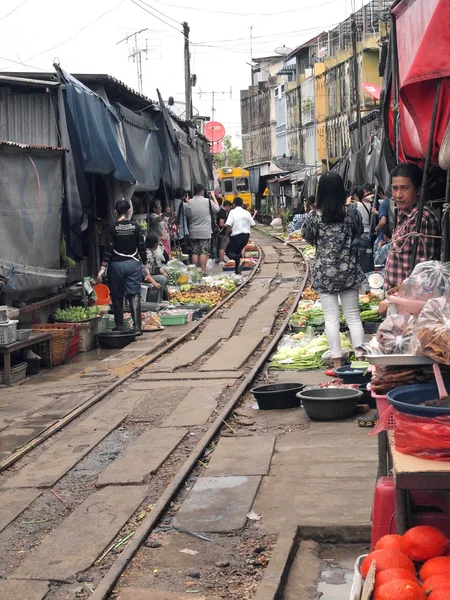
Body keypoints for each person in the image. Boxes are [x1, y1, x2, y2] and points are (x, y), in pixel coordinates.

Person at [302, 172, 366, 371]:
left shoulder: (314, 216)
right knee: (354, 317)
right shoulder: (351, 212)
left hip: (325, 273)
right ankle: (361, 361)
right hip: (348, 271)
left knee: (331, 319)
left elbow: (308, 237)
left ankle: (337, 363)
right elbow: (359, 233)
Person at [385, 163, 441, 290]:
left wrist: (396, 297)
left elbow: (422, 274)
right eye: (395, 188)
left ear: (418, 190)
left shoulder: (421, 219)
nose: (398, 195)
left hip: (408, 299)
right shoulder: (404, 214)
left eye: (404, 188)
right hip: (396, 295)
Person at [98, 199, 149, 334]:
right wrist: (145, 265)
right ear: (128, 211)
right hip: (133, 264)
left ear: (115, 212)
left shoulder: (112, 228)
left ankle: (119, 326)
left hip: (116, 266)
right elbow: (142, 248)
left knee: (117, 295)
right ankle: (137, 327)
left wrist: (102, 269)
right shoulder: (136, 227)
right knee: (134, 294)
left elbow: (108, 250)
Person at [188, 183, 220, 274]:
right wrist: (213, 196)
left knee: (194, 252)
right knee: (203, 252)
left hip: (193, 231)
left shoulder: (189, 201)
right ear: (202, 191)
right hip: (205, 231)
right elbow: (217, 209)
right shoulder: (207, 201)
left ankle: (194, 272)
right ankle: (203, 270)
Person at [225, 196, 256, 274]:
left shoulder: (232, 212)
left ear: (234, 204)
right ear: (242, 204)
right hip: (246, 237)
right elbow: (253, 224)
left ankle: (237, 262)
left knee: (229, 251)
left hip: (236, 236)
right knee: (237, 253)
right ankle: (237, 272)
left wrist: (226, 235)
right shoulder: (246, 212)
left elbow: (228, 225)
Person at [145, 232, 169, 302]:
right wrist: (154, 283)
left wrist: (163, 272)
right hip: (145, 277)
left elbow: (154, 266)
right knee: (162, 279)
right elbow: (145, 273)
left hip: (149, 275)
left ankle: (164, 296)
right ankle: (158, 298)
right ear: (155, 245)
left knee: (164, 276)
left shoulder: (150, 252)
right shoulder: (147, 254)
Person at [217, 200, 232, 265]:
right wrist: (229, 224)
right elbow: (221, 224)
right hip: (222, 233)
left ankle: (221, 259)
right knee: (223, 247)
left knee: (222, 246)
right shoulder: (222, 213)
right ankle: (221, 260)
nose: (230, 208)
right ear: (227, 206)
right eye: (230, 207)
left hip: (220, 232)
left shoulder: (221, 212)